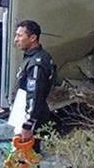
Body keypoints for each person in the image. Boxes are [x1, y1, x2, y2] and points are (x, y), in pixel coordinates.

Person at [12, 20, 56, 151]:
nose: (16, 40)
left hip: (32, 119)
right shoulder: (32, 58)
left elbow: (34, 95)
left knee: (27, 158)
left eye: (20, 36)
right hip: (25, 114)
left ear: (33, 38)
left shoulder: (37, 62)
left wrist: (28, 125)